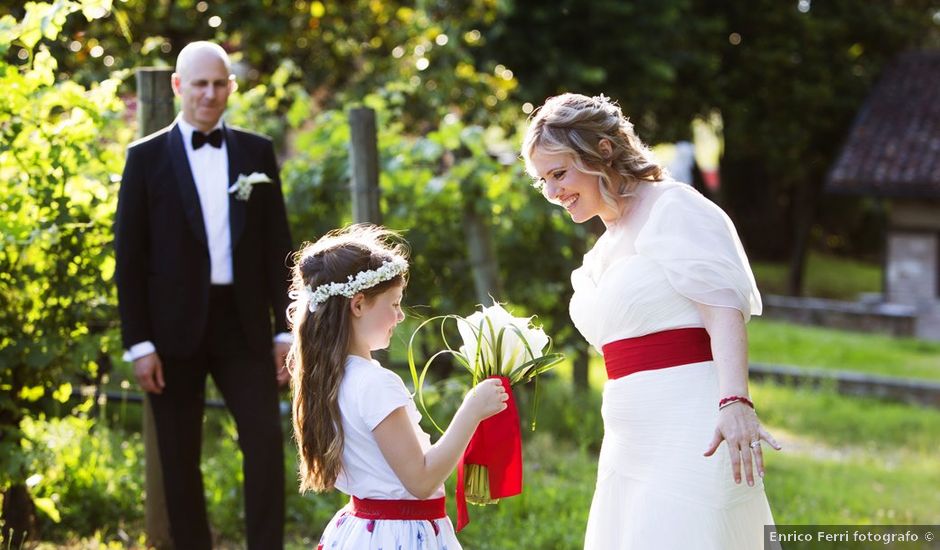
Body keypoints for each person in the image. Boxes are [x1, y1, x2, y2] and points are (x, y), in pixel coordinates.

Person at [522, 93, 781, 549]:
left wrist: (735, 401)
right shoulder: (602, 250)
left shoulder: (674, 208)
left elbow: (723, 313)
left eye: (559, 173)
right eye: (543, 180)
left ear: (602, 150)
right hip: (628, 436)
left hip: (691, 424)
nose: (552, 192)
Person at [114, 41, 293, 548]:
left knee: (263, 444)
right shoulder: (144, 159)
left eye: (219, 84)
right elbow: (129, 260)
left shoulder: (256, 153)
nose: (210, 94)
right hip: (171, 332)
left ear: (231, 87)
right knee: (178, 458)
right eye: (199, 84)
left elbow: (278, 247)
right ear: (178, 87)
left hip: (244, 325)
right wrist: (139, 343)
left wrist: (285, 329)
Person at [286, 225, 507, 550]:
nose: (401, 315)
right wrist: (472, 410)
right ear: (358, 305)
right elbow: (421, 480)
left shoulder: (331, 378)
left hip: (361, 530)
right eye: (394, 304)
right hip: (399, 535)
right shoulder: (375, 383)